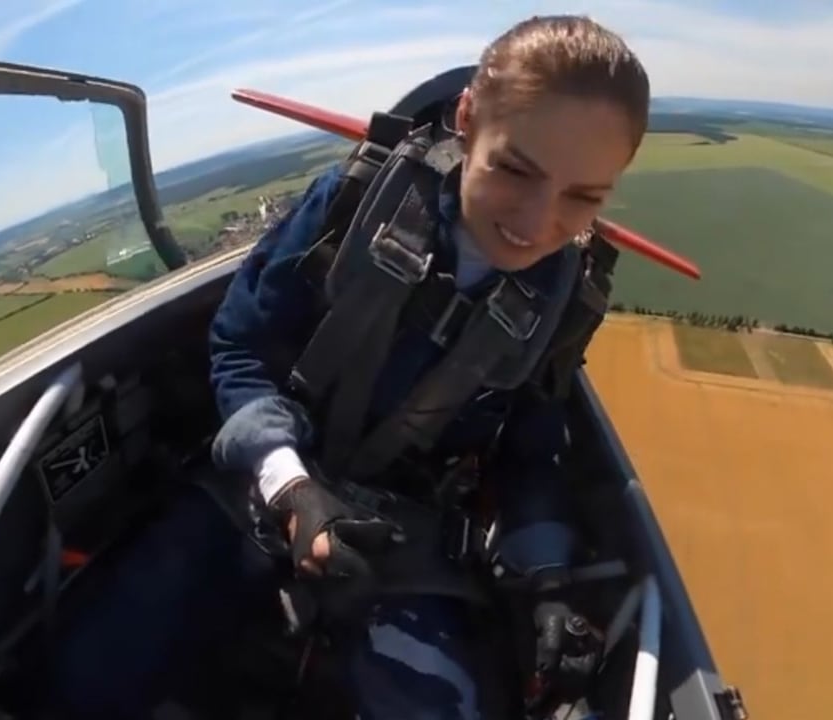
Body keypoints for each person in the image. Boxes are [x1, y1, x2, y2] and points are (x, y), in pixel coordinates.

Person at [39, 13, 651, 720]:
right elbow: (240, 351)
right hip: (259, 490)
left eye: (584, 198)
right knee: (90, 671)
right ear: (467, 117)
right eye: (516, 169)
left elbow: (530, 453)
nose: (539, 221)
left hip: (402, 539)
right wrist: (292, 489)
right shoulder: (357, 210)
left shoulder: (561, 297)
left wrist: (547, 580)